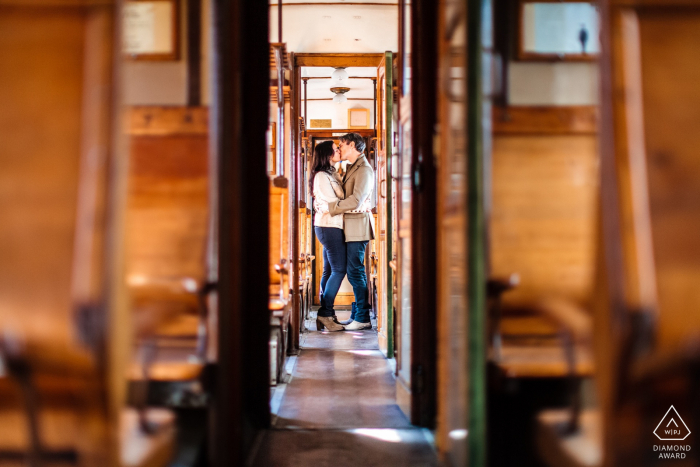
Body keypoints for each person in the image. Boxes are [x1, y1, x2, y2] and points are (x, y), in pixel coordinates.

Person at [325, 133, 375, 331]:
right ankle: (357, 314)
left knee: (355, 271)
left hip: (358, 227)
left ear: (352, 145)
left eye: (342, 145)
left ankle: (362, 317)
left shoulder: (364, 169)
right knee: (353, 271)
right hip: (350, 226)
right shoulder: (352, 167)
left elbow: (356, 200)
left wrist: (330, 206)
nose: (339, 149)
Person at [310, 141, 346, 332]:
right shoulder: (322, 176)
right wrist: (355, 203)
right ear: (327, 154)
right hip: (328, 226)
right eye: (336, 149)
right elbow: (334, 203)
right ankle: (325, 313)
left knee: (329, 270)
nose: (339, 150)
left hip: (330, 225)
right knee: (339, 269)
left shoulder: (331, 172)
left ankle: (327, 314)